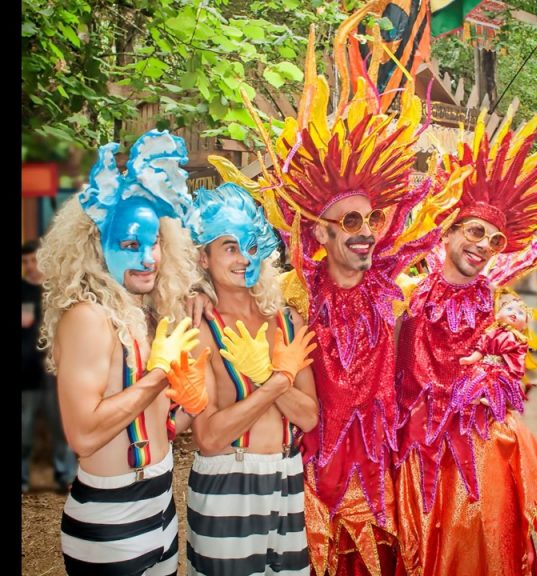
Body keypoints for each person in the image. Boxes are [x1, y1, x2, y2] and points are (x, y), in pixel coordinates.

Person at [207, 14, 458, 574]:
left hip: (383, 475)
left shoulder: (398, 297)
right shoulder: (293, 297)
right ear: (319, 232)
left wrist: (497, 323)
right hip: (309, 477)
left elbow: (443, 345)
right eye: (348, 222)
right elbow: (232, 305)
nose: (364, 231)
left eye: (369, 219)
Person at [393, 107, 537, 575]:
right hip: (418, 453)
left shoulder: (502, 306)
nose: (482, 245)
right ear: (450, 228)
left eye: (495, 241)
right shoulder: (406, 295)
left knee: (486, 551)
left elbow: (509, 381)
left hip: (481, 457)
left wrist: (490, 369)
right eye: (475, 231)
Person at [37, 130, 208, 575]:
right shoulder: (88, 317)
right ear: (96, 247)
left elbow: (159, 429)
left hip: (162, 508)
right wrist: (157, 375)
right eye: (131, 245)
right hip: (112, 520)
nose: (149, 257)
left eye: (154, 243)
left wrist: (188, 405)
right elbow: (86, 435)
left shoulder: (145, 314)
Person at [183, 183, 319, 575]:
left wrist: (266, 375)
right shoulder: (199, 328)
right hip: (228, 486)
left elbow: (309, 418)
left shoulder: (288, 322)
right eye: (229, 247)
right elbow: (207, 438)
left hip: (288, 478)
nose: (244, 258)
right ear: (202, 257)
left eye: (251, 245)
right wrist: (274, 381)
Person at [22, 238, 78, 494]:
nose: (30, 266)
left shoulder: (56, 291)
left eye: (34, 259)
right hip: (26, 373)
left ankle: (65, 474)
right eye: (25, 262)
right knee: (24, 427)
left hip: (54, 371)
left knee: (61, 426)